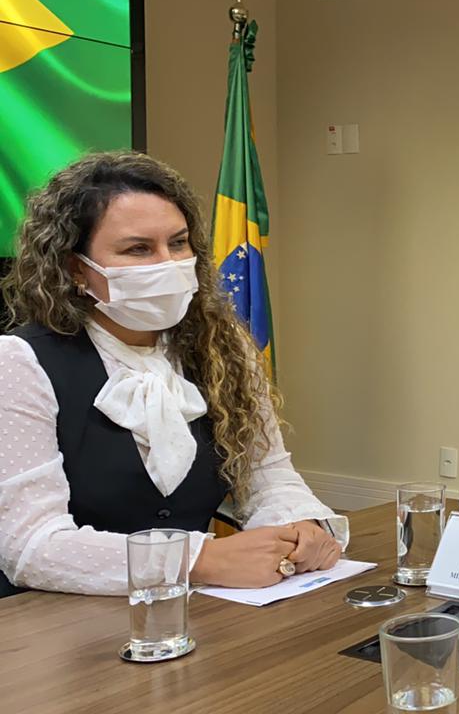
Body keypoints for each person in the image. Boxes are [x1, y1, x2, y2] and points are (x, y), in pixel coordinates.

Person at [0, 152, 347, 597]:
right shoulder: (20, 363)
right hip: (56, 620)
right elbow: (31, 545)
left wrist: (298, 525)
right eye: (138, 249)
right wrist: (196, 560)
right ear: (76, 268)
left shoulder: (224, 347)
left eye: (179, 243)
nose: (167, 263)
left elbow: (268, 475)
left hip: (195, 612)